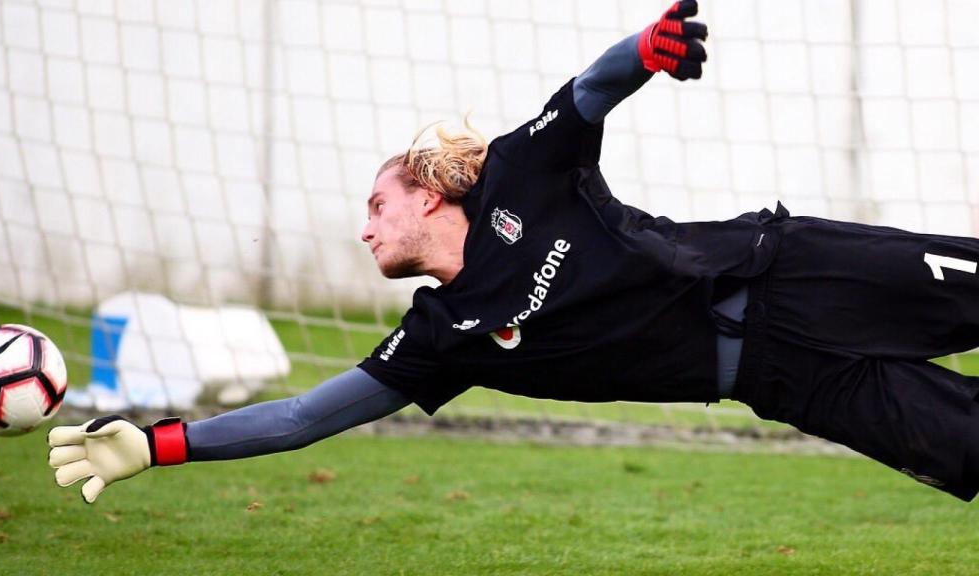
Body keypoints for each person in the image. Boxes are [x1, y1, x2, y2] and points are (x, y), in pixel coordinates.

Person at [48, 0, 979, 504]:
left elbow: (588, 90)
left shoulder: (520, 176)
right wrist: (159, 445)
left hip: (791, 270)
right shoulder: (439, 336)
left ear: (426, 189)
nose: (364, 227)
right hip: (779, 379)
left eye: (376, 205)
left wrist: (649, 47)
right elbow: (299, 418)